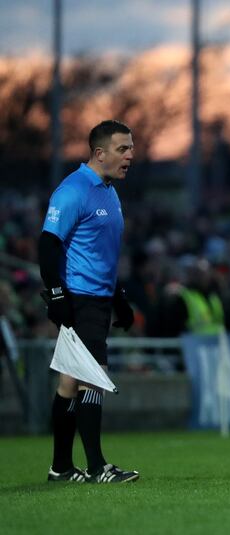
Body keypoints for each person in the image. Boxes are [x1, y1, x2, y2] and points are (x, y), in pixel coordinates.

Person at [39, 120, 138, 483]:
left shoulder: (109, 191)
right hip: (79, 299)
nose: (130, 155)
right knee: (92, 379)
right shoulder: (74, 190)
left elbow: (100, 254)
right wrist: (57, 295)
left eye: (131, 147)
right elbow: (47, 245)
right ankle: (98, 467)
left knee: (70, 381)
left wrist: (118, 297)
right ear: (99, 153)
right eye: (122, 149)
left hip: (97, 298)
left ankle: (61, 467)